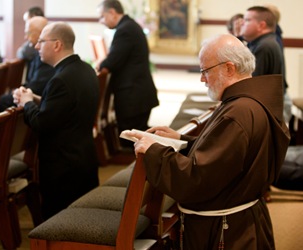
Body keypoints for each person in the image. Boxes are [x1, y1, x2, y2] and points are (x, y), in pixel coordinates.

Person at [125, 34, 290, 249]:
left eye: (205, 71)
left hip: (229, 231)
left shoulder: (238, 112)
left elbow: (198, 179)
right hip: (242, 218)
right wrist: (181, 140)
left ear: (229, 69)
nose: (202, 79)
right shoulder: (246, 101)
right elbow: (228, 155)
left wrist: (154, 151)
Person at [13, 22, 100, 220]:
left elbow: (42, 124)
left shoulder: (60, 79)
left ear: (57, 45)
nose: (36, 46)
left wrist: (26, 103)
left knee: (58, 224)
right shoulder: (85, 69)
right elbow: (67, 108)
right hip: (83, 159)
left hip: (63, 169)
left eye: (41, 41)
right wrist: (36, 99)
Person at [97, 0, 159, 148]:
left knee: (131, 138)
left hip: (133, 95)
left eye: (102, 17)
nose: (101, 21)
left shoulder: (125, 30)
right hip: (136, 92)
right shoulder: (128, 26)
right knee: (135, 136)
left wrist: (101, 64)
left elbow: (112, 61)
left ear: (112, 12)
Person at [240, 6, 292, 124]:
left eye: (247, 20)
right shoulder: (263, 42)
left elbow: (252, 86)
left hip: (268, 110)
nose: (242, 23)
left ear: (261, 25)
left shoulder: (264, 46)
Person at [0, 16, 55, 111]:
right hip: (34, 92)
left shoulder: (46, 54)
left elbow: (37, 86)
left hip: (38, 96)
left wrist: (20, 91)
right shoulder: (37, 51)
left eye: (28, 33)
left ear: (40, 33)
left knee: (4, 100)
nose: (26, 37)